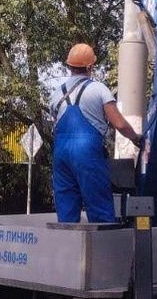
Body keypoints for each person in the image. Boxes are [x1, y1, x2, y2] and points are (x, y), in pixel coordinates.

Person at [49, 42, 142, 223]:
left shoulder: (56, 94)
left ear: (69, 66)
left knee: (66, 208)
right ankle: (104, 249)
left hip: (60, 155)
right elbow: (119, 124)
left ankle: (69, 249)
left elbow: (55, 123)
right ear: (90, 67)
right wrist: (136, 138)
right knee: (98, 204)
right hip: (87, 154)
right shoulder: (98, 89)